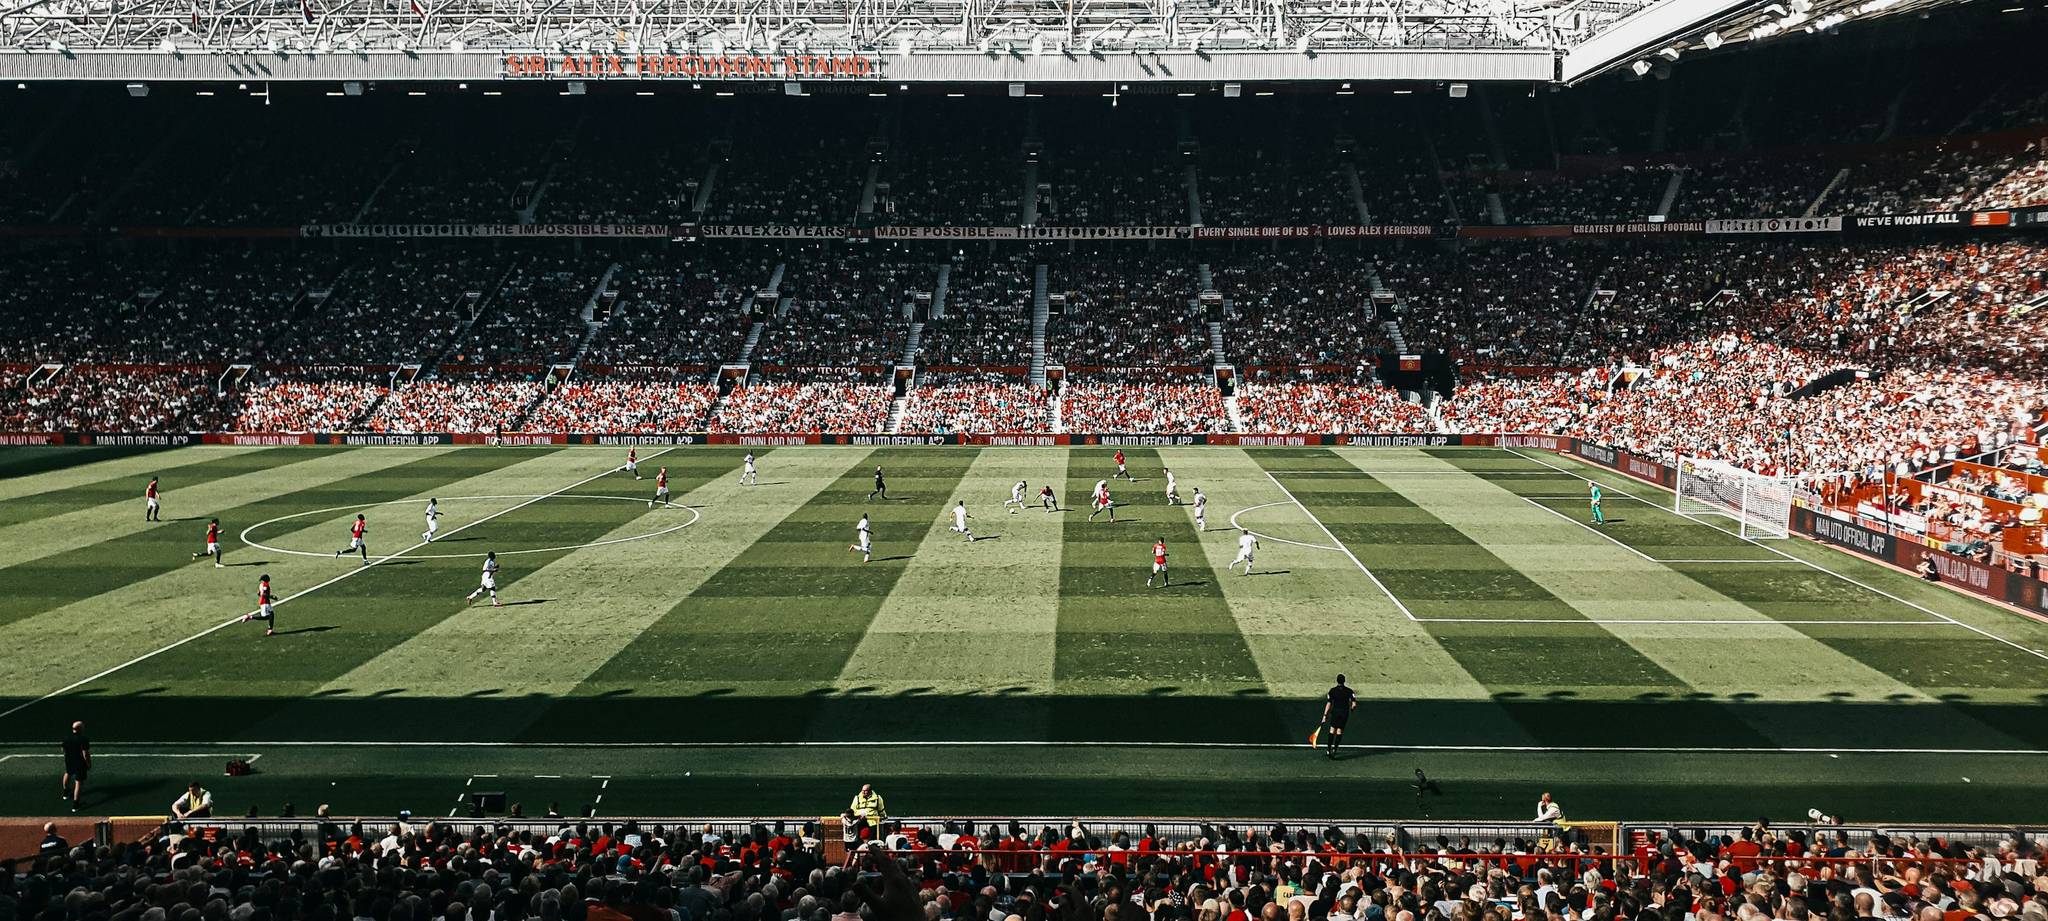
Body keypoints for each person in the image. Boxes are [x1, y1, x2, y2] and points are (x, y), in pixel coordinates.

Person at [1319, 674, 1356, 759]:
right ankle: (1334, 749)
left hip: (1335, 712)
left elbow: (1329, 703)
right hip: (1344, 713)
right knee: (1339, 731)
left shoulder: (1332, 691)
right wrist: (1352, 709)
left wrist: (1325, 715)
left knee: (1332, 730)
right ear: (1344, 681)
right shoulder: (1349, 691)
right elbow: (1354, 704)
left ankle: (1328, 750)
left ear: (1337, 681)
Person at [60, 720, 89, 811]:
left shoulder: (67, 737)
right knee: (78, 782)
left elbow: (63, 749)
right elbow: (85, 754)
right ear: (80, 729)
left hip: (69, 760)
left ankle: (65, 793)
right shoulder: (83, 739)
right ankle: (76, 805)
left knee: (68, 773)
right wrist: (88, 763)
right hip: (79, 762)